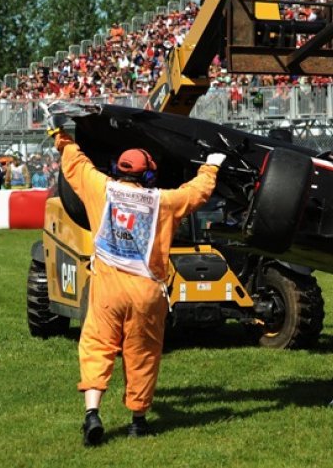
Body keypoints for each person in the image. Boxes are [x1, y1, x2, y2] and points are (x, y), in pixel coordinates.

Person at [52, 126, 224, 446]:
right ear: (148, 177)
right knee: (143, 354)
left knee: (97, 345)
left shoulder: (99, 187)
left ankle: (92, 413)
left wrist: (60, 134)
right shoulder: (164, 201)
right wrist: (211, 165)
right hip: (147, 291)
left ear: (117, 169)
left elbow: (75, 163)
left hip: (107, 286)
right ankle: (138, 421)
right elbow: (196, 192)